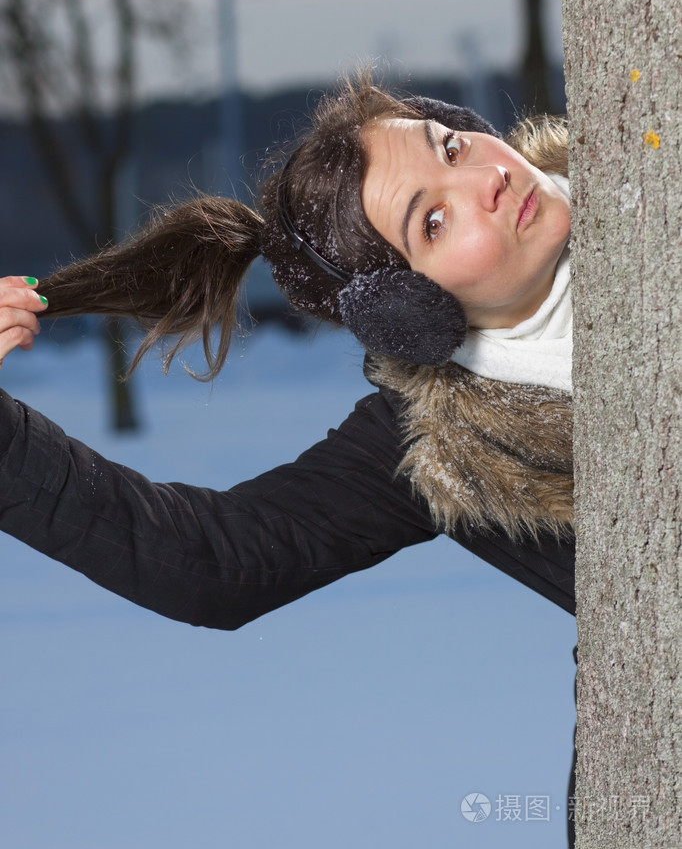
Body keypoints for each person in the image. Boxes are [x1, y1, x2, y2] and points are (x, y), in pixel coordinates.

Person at [0, 72, 576, 841]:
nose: (487, 178)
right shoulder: (438, 449)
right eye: (433, 220)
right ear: (411, 312)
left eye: (451, 143)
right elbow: (212, 560)